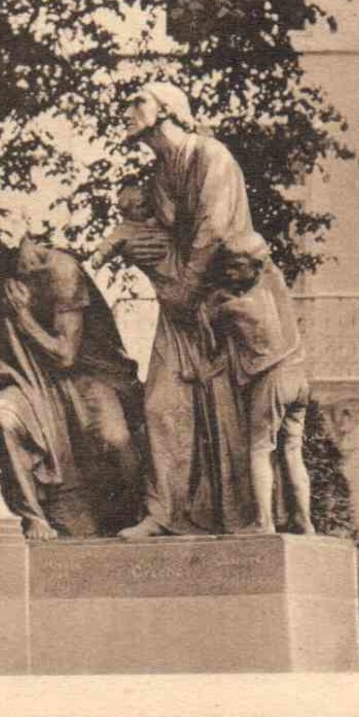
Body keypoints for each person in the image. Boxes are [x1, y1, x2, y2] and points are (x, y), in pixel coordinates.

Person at [112, 82, 269, 538]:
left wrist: (183, 289)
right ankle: (163, 513)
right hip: (179, 305)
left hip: (220, 308)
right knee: (161, 405)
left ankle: (234, 515)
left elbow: (213, 231)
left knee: (225, 414)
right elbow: (164, 236)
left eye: (137, 101)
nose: (127, 110)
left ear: (169, 110)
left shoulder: (211, 156)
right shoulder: (160, 173)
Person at [0, 241, 146, 540]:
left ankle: (135, 514)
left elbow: (66, 355)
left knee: (114, 438)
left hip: (87, 372)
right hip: (31, 379)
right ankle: (35, 516)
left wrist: (24, 318)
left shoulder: (61, 270)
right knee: (6, 418)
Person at [204, 233, 314, 535]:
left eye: (236, 266)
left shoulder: (235, 306)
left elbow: (209, 331)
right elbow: (267, 262)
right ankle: (304, 520)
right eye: (226, 266)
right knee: (292, 450)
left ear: (254, 266)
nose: (228, 272)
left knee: (259, 449)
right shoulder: (275, 288)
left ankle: (263, 521)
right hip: (299, 377)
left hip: (273, 377)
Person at [91, 181, 168, 268]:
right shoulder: (126, 227)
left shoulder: (159, 211)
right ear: (129, 211)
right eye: (140, 205)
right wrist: (100, 254)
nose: (146, 208)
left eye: (146, 202)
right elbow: (110, 242)